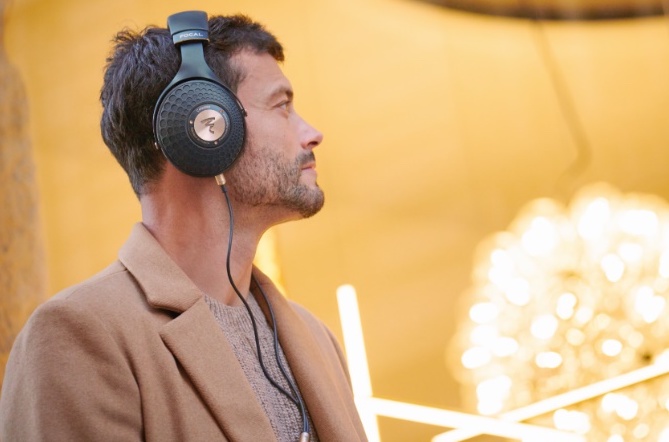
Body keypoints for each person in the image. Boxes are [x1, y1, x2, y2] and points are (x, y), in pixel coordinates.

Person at [0, 10, 367, 442]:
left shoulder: (317, 341)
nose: (312, 133)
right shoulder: (79, 336)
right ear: (205, 128)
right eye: (281, 106)